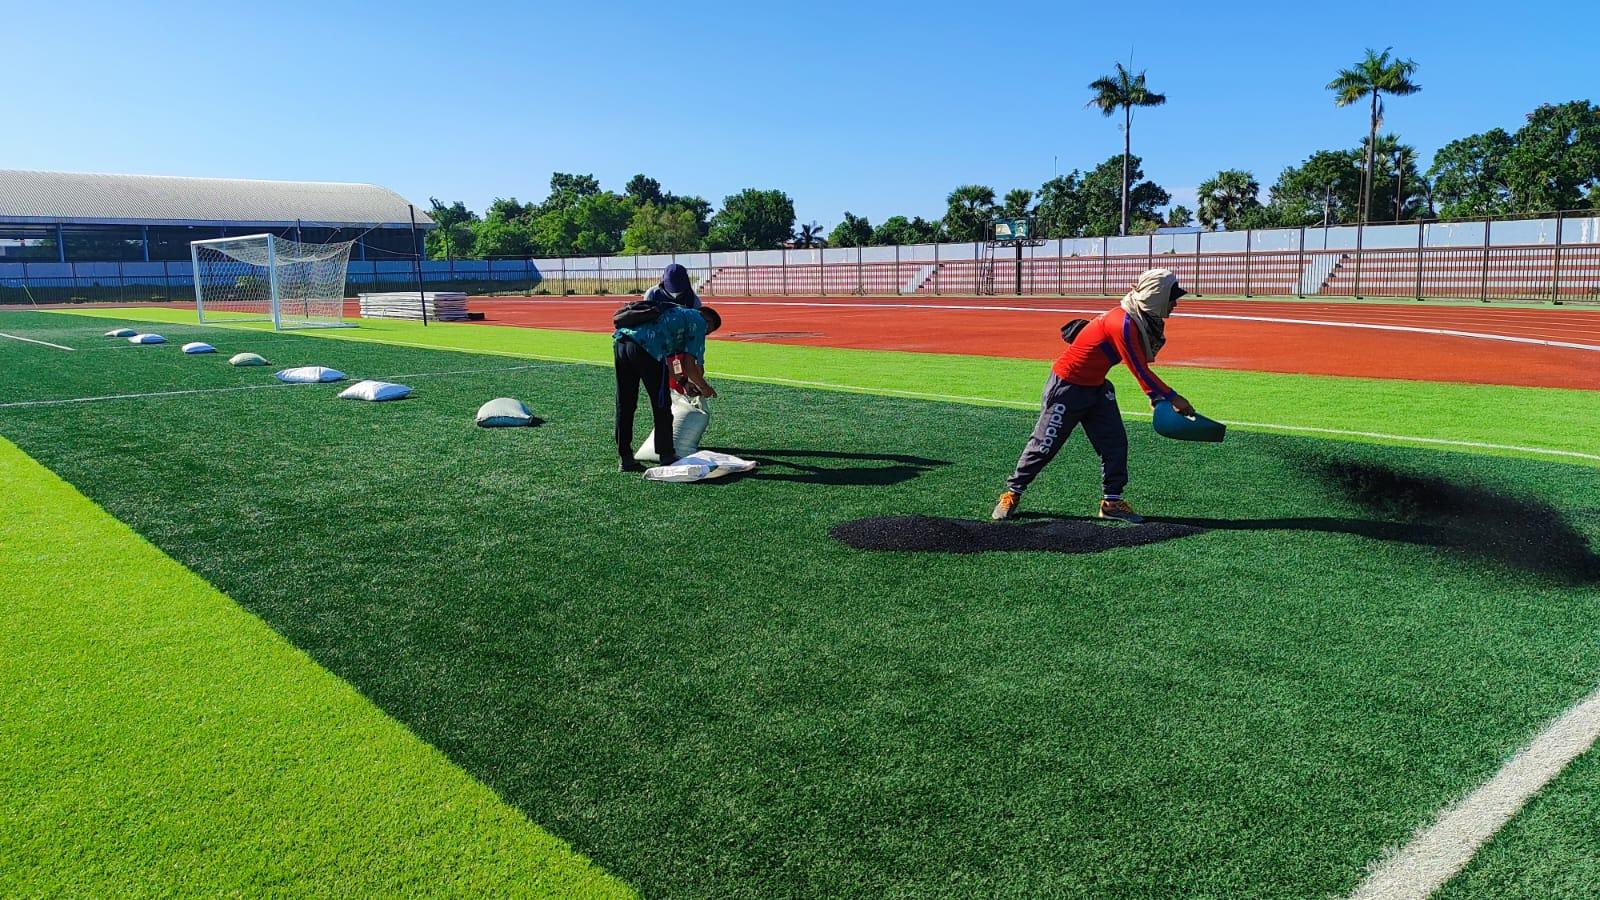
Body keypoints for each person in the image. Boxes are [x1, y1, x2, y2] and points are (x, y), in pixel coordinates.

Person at [991, 268, 1194, 523]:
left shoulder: (1139, 318)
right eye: (1171, 297)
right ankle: (1012, 493)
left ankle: (1111, 502)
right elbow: (1138, 368)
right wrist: (1171, 398)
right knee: (1044, 445)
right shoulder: (1124, 322)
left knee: (1115, 443)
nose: (1175, 303)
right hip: (1067, 388)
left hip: (1097, 388)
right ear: (1156, 295)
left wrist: (1157, 397)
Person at [613, 293, 721, 472]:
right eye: (708, 332)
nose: (705, 335)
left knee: (625, 403)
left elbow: (672, 363)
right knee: (661, 404)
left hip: (622, 344)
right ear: (708, 322)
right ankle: (666, 455)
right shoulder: (698, 322)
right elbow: (689, 364)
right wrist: (705, 387)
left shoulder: (677, 316)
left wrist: (684, 383)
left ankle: (625, 458)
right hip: (648, 348)